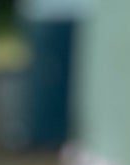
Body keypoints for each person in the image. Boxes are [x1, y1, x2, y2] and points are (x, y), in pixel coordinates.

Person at [17, 0, 91, 148]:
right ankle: (47, 133)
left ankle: (60, 133)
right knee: (48, 78)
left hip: (76, 15)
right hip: (43, 15)